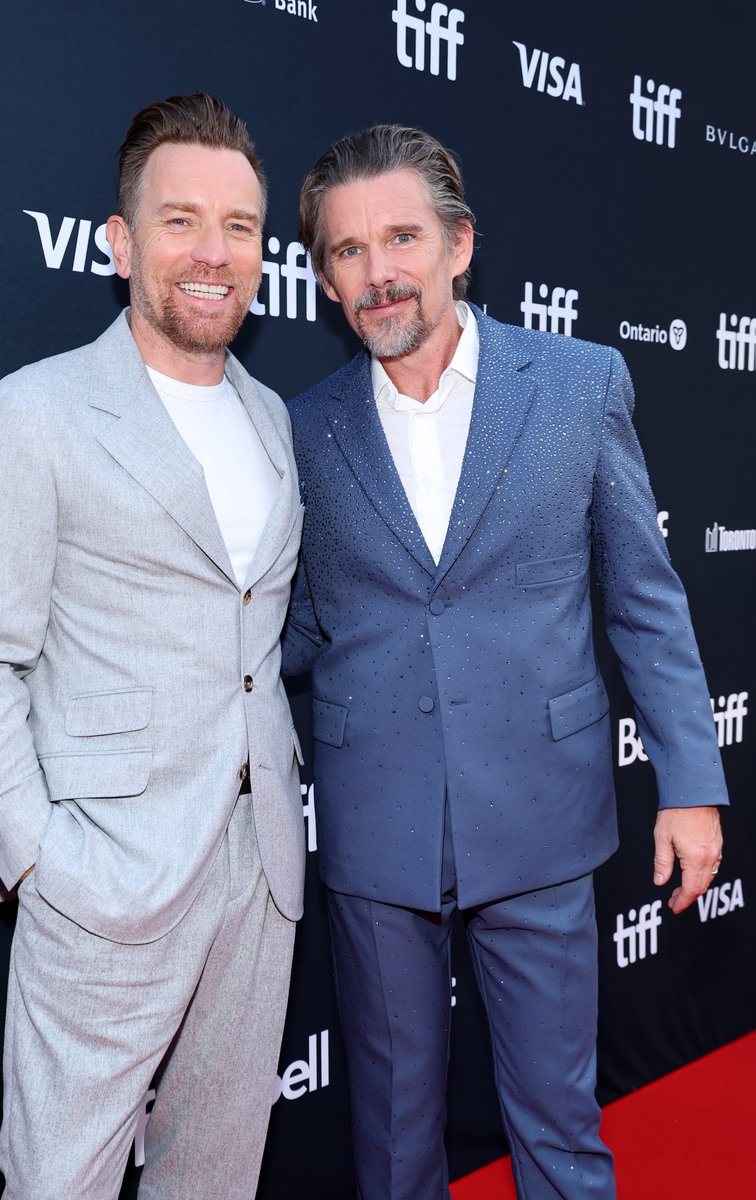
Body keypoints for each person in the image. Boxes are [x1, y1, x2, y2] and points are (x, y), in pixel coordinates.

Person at [282, 123, 726, 1200]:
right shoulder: (297, 429)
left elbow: (643, 599)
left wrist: (690, 785)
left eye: (401, 238)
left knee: (559, 1132)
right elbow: (289, 625)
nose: (379, 272)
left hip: (541, 811)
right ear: (325, 279)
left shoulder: (577, 385)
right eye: (348, 250)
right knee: (393, 1147)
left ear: (460, 244)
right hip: (376, 827)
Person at [0, 93, 305, 1200]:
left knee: (216, 1175)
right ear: (120, 243)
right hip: (105, 877)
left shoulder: (271, 418)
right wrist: (40, 859)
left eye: (239, 226)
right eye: (180, 220)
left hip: (259, 872)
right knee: (61, 1180)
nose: (213, 252)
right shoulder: (30, 415)